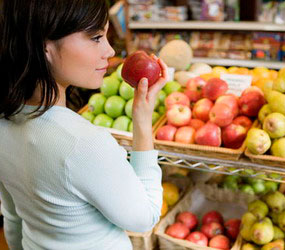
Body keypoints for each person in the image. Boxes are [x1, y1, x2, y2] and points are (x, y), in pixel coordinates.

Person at [0, 0, 168, 249]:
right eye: (96, 37)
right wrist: (142, 121)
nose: (110, 51)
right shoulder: (83, 143)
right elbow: (144, 218)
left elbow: (13, 218)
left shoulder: (5, 122)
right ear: (44, 45)